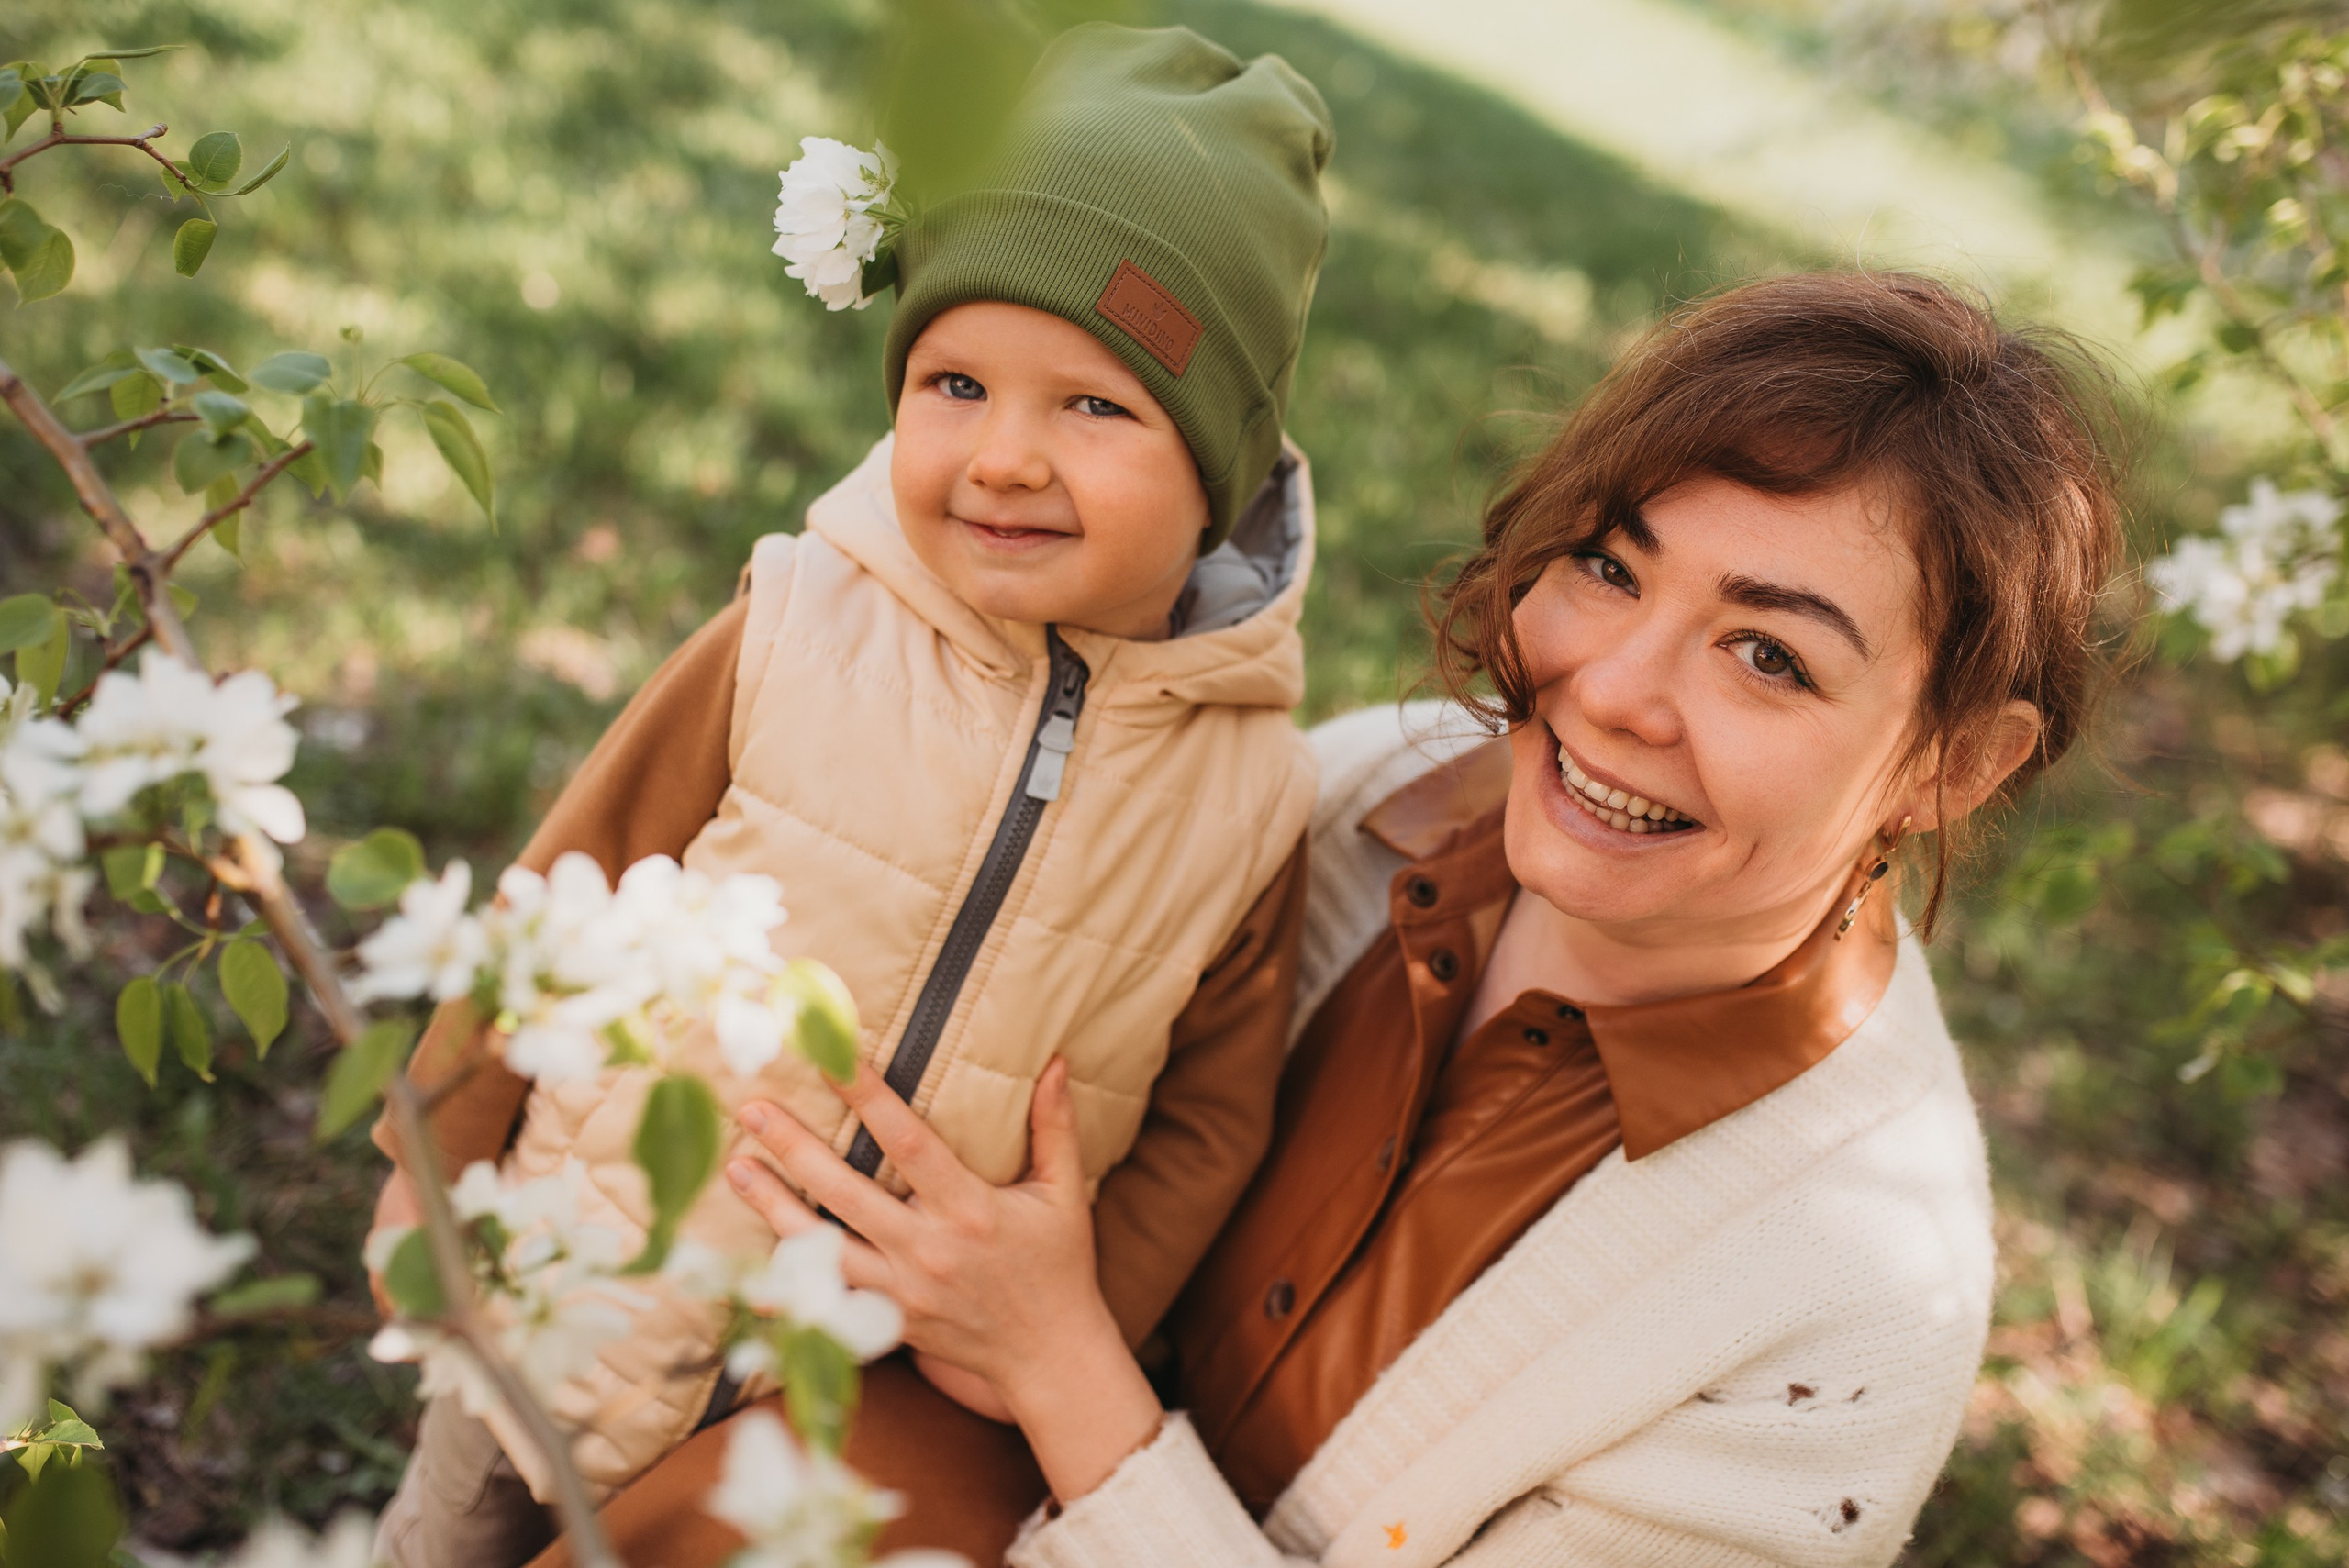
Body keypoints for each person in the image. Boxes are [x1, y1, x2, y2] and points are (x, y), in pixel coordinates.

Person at [549, 269, 2127, 1568]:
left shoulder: (1846, 1310)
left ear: (1953, 763)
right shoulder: (1369, 797)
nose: (1615, 692)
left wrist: (1057, 1362)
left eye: (1769, 657)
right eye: (1608, 565)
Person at [366, 24, 1337, 1568]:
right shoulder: (795, 621)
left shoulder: (1251, 788)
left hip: (845, 1396)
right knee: (445, 1539)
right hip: (578, 1282)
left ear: (1218, 464)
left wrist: (1055, 1338)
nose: (1004, 455)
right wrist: (435, 1159)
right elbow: (574, 877)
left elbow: (1206, 1123)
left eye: (1094, 407)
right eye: (956, 382)